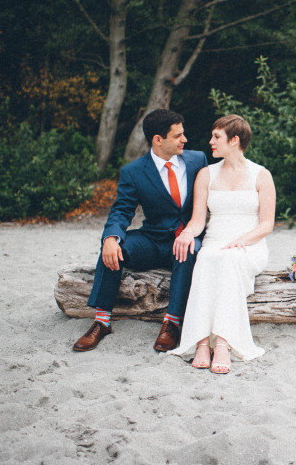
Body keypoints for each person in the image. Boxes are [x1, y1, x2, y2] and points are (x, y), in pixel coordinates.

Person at [72, 109, 208, 352]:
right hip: (153, 239)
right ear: (158, 139)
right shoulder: (133, 172)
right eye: (178, 136)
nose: (184, 139)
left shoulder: (197, 160)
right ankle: (102, 322)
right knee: (114, 249)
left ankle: (172, 323)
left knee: (188, 250)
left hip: (188, 237)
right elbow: (122, 210)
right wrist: (110, 238)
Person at [168, 114, 276, 374]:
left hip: (249, 245)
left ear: (234, 140)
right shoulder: (206, 174)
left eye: (216, 137)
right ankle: (202, 343)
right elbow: (196, 221)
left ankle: (224, 343)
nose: (211, 142)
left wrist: (240, 241)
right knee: (205, 258)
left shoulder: (261, 175)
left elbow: (266, 225)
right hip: (215, 242)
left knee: (228, 260)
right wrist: (186, 234)